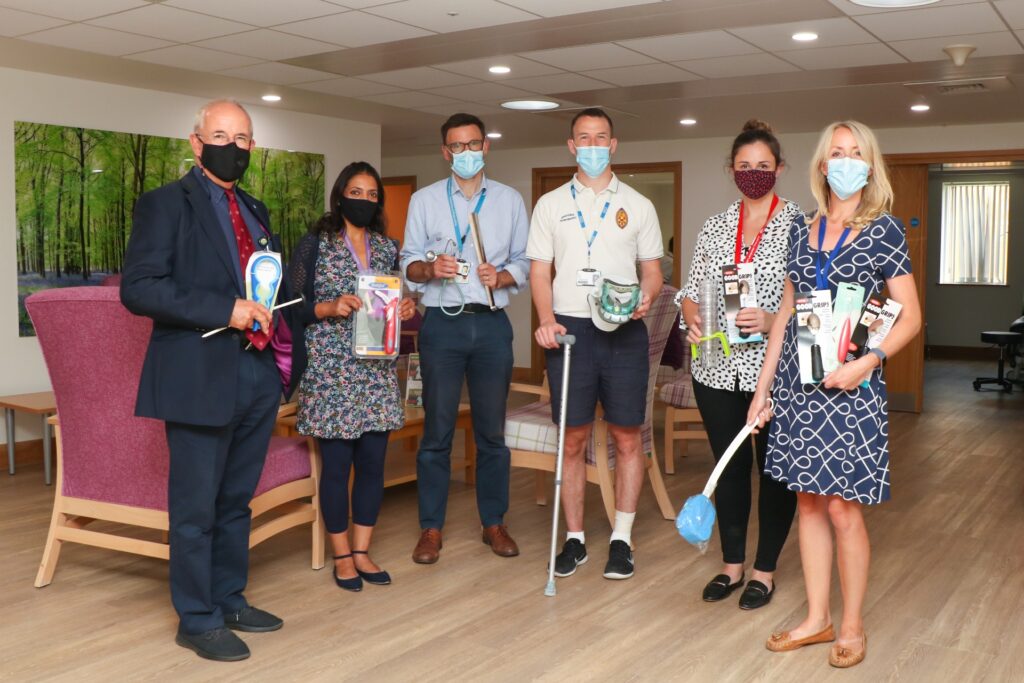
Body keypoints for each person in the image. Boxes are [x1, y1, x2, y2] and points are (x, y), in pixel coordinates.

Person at [747, 121, 921, 668]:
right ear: (822, 165)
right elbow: (784, 317)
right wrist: (763, 387)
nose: (846, 161)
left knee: (845, 510)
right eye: (836, 153)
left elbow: (910, 316)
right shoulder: (802, 230)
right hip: (799, 386)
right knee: (808, 504)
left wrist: (868, 362)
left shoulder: (885, 230)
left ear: (870, 166)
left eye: (856, 153)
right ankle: (817, 618)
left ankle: (851, 625)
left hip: (852, 388)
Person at [121, 99, 285, 662]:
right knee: (196, 507)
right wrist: (226, 309)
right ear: (196, 142)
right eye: (220, 135)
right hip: (196, 375)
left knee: (237, 499)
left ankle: (228, 599)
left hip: (256, 373)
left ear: (252, 147)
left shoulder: (258, 210)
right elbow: (138, 288)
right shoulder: (165, 204)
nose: (232, 147)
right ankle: (195, 618)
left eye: (242, 139)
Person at [528, 107, 663, 581]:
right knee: (574, 439)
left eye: (599, 137)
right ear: (571, 146)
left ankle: (621, 540)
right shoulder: (549, 204)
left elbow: (652, 270)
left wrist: (647, 296)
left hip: (624, 330)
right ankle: (576, 540)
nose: (591, 145)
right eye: (582, 138)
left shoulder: (639, 204)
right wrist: (545, 320)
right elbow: (540, 270)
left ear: (613, 144)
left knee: (628, 437)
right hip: (569, 330)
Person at [400, 113, 530, 564]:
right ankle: (430, 529)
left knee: (492, 432)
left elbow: (525, 263)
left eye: (474, 144)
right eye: (457, 146)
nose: (467, 153)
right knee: (436, 432)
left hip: (492, 324)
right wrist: (427, 269)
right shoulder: (425, 200)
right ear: (445, 151)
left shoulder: (510, 201)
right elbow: (408, 263)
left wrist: (504, 275)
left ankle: (493, 523)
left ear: (486, 147)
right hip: (442, 324)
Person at [681, 120, 800, 610]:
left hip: (773, 373)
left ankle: (764, 570)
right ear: (731, 170)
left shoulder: (799, 225)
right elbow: (691, 294)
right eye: (744, 166)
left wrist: (772, 319)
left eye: (763, 166)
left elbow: (812, 305)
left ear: (780, 169)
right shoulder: (715, 225)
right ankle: (731, 565)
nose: (753, 174)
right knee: (728, 469)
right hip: (714, 366)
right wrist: (692, 321)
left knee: (775, 472)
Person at [287, 162, 416, 592]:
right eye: (355, 192)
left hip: (376, 368)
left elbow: (393, 297)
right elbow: (290, 307)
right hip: (330, 369)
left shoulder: (386, 247)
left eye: (371, 194)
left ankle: (363, 549)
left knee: (373, 464)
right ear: (340, 194)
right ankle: (341, 553)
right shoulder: (315, 245)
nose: (364, 200)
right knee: (338, 466)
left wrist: (407, 307)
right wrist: (326, 307)